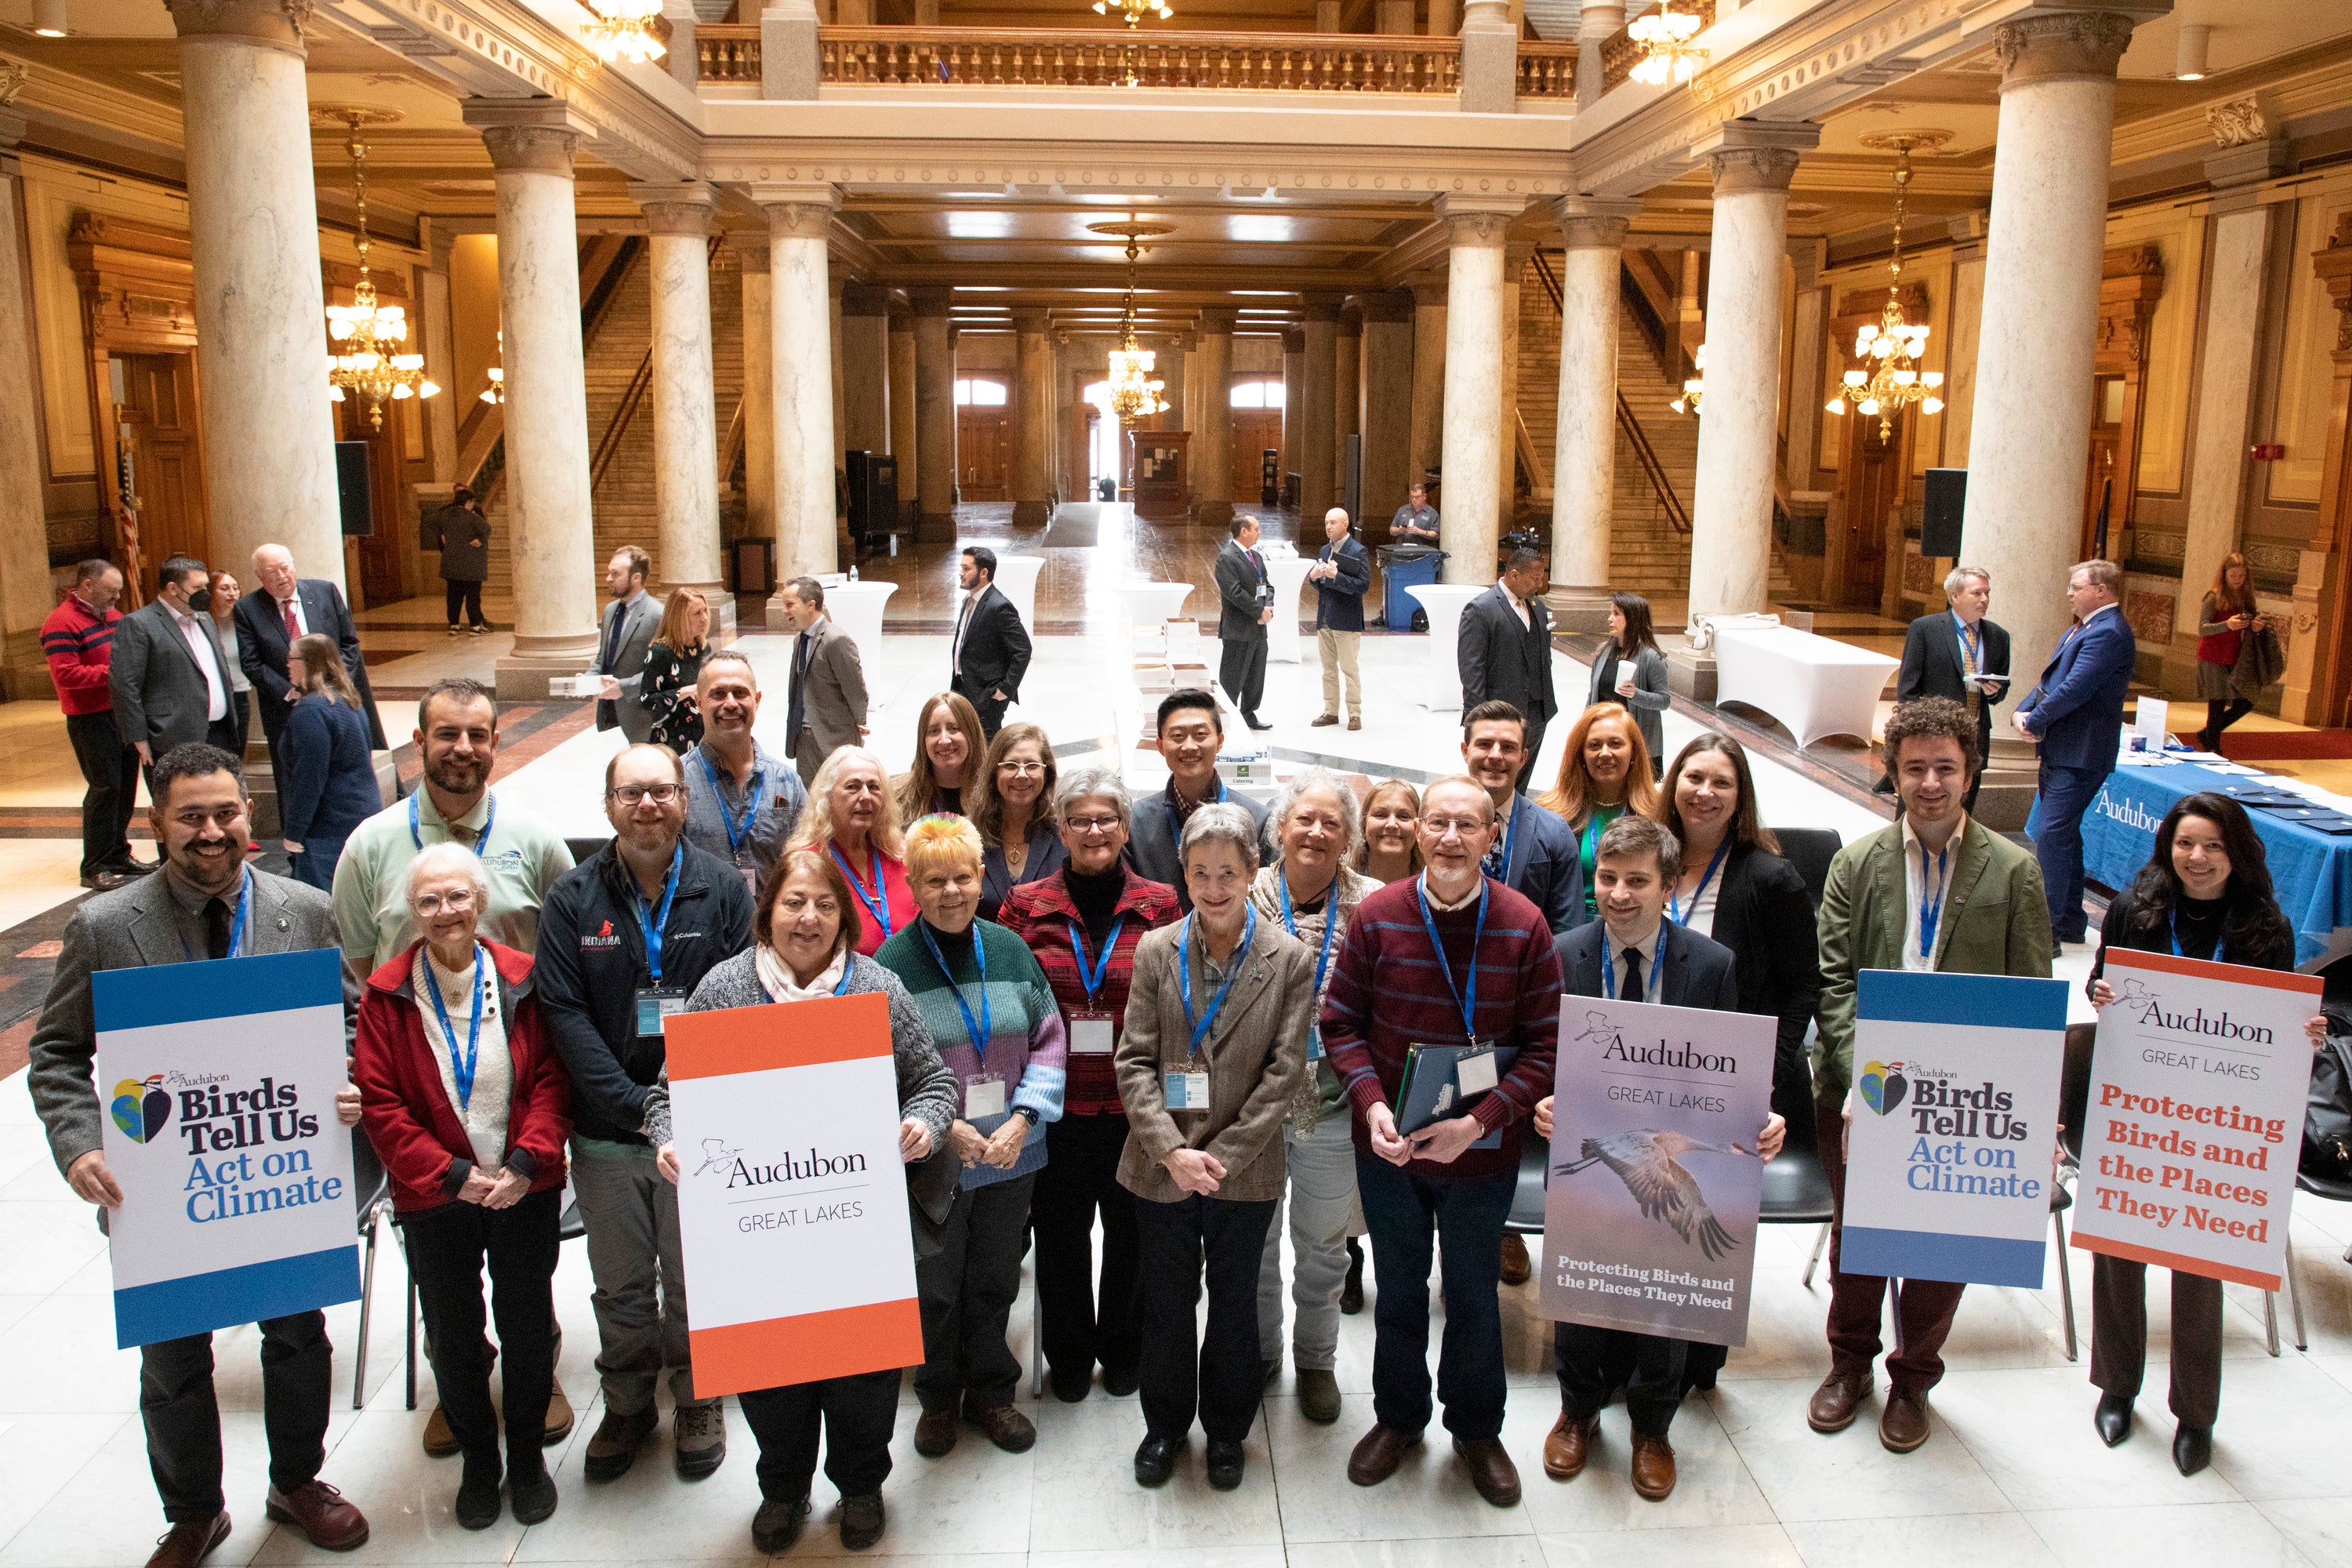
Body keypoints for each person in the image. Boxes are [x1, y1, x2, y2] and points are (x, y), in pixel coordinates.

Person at [27, 742, 372, 1567]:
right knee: (174, 1356)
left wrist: (352, 1077)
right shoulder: (105, 925)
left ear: (249, 817)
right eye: (191, 816)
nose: (212, 831)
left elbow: (354, 1023)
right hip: (163, 1189)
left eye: (226, 813)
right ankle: (193, 1511)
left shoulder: (304, 910)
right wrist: (78, 1147)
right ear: (156, 823)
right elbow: (55, 1053)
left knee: (297, 1334)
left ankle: (297, 1481)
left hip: (277, 1176)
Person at [643, 848, 956, 1554]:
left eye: (822, 904)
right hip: (760, 1235)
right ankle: (782, 1489)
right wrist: (670, 1139)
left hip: (853, 1227)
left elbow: (934, 1083)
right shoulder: (726, 988)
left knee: (862, 1373)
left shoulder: (876, 987)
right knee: (772, 1371)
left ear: (842, 914)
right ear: (768, 912)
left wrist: (923, 1125)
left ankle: (861, 1484)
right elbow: (668, 1094)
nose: (808, 918)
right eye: (793, 903)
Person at [1809, 696, 2051, 1454]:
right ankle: (1849, 1366)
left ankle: (1914, 1376)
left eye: (1946, 767)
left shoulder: (2015, 872)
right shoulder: (1857, 862)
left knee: (1947, 1240)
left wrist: (2032, 1109)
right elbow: (1835, 983)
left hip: (1965, 1092)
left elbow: (2030, 996)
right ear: (1893, 772)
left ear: (1972, 772)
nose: (1931, 783)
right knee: (1860, 1236)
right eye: (1914, 768)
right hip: (1865, 1085)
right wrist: (1862, 1080)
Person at [1321, 775, 1563, 1509]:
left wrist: (1480, 1123)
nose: (1451, 838)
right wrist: (1370, 1107)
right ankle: (1398, 1418)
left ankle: (1477, 1428)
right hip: (1391, 1152)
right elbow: (1340, 1025)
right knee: (1398, 1292)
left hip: (1481, 1155)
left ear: (1494, 837)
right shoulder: (1377, 917)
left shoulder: (1524, 925)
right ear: (1417, 833)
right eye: (1438, 823)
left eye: (1469, 825)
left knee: (1471, 1296)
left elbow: (1547, 1050)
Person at [1540, 815, 1785, 1502]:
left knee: (1665, 1292)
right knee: (1582, 1286)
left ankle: (1653, 1426)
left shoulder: (1712, 965)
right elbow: (1536, 1056)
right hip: (1592, 1151)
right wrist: (1541, 1102)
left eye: (1637, 881)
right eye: (1608, 879)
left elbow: (1733, 1075)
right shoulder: (1560, 955)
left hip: (1668, 1160)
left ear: (1669, 885)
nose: (1619, 894)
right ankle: (1577, 1411)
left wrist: (1761, 1120)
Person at [2084, 793, 2328, 1477]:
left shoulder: (2264, 925)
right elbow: (2105, 982)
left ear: (2236, 852)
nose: (2197, 858)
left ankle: (2196, 1413)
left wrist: (2305, 1032)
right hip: (2137, 1106)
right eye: (2186, 843)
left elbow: (2279, 1018)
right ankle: (2117, 1388)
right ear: (2169, 846)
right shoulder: (2137, 908)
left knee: (2199, 1261)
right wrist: (2098, 993)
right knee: (2119, 1249)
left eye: (2213, 846)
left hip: (2216, 1121)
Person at [534, 743, 753, 1483]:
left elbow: (740, 997)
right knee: (621, 1279)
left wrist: (682, 1108)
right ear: (609, 806)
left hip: (702, 1129)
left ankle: (698, 1393)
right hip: (605, 1131)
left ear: (683, 801)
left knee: (697, 1274)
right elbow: (564, 1014)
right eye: (632, 793)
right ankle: (628, 1400)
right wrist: (636, 1109)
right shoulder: (571, 899)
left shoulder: (725, 889)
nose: (648, 805)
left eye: (662, 791)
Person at [354, 842, 570, 1530]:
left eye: (457, 897)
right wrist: (452, 1176)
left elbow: (552, 1080)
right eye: (429, 900)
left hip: (522, 1187)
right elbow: (381, 1105)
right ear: (412, 912)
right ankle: (481, 1459)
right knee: (452, 1333)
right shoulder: (386, 995)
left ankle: (529, 1456)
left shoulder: (525, 979)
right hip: (435, 1197)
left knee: (528, 1323)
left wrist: (526, 1163)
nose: (446, 911)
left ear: (480, 902)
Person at [1118, 801, 1312, 1490]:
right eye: (1200, 872)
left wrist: (1219, 1154)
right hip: (1160, 1165)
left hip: (1244, 1168)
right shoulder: (1154, 949)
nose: (1214, 886)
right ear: (1183, 872)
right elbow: (1134, 1062)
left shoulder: (1289, 959)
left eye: (1228, 872)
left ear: (1254, 870)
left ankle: (1227, 1431)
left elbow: (1286, 1072)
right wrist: (1173, 1151)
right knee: (1167, 1302)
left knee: (1233, 1305)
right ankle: (1165, 1426)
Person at [876, 815, 1067, 1460]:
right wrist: (942, 1125)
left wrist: (1023, 1119)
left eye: (962, 877)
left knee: (993, 1279)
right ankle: (937, 1398)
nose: (951, 892)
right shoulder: (890, 966)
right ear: (914, 884)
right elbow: (877, 1065)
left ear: (981, 877)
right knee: (936, 1284)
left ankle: (991, 1392)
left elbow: (1049, 1038)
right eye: (935, 881)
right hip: (935, 1159)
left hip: (1013, 1154)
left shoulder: (1011, 949)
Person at [1000, 767, 1184, 1403]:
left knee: (1132, 1235)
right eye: (1080, 819)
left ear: (1126, 827)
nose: (1095, 830)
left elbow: (1180, 1002)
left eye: (1107, 818)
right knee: (1059, 1238)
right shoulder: (1026, 906)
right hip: (1057, 1107)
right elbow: (1010, 1002)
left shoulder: (1160, 904)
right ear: (1061, 828)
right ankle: (1071, 1357)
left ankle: (1125, 1349)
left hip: (1136, 1110)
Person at [1247, 768, 1374, 1425]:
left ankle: (1317, 1359)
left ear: (1349, 836)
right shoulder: (1240, 894)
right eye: (1305, 819)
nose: (1317, 832)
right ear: (1280, 827)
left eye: (1332, 823)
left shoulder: (1377, 904)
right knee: (1259, 1239)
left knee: (1324, 1244)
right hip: (1254, 1106)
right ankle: (1264, 1351)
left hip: (1331, 1101)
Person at [332, 677, 578, 993]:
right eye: (448, 734)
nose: (463, 747)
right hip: (408, 1035)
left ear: (494, 743)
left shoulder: (538, 842)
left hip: (512, 1033)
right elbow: (357, 966)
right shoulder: (368, 845)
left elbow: (567, 954)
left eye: (477, 736)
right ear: (420, 741)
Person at [1655, 732, 1823, 1178]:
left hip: (1725, 1076)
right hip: (1642, 1069)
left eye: (1721, 783)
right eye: (1694, 777)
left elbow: (1803, 987)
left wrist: (1765, 1074)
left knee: (1704, 1211)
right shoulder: (1644, 863)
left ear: (1740, 796)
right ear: (1674, 783)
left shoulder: (1772, 879)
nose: (1705, 792)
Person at [2014, 557, 2137, 948]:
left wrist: (2034, 721)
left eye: (2077, 586)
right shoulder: (2084, 627)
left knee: (2052, 836)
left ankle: (2045, 931)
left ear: (2101, 590)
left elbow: (2076, 688)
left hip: (2081, 752)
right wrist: (2023, 706)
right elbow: (2052, 679)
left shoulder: (2109, 632)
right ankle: (2069, 920)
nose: (2069, 592)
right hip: (2062, 748)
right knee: (2064, 835)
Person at [236, 543, 388, 786]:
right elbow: (252, 663)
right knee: (294, 783)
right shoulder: (247, 609)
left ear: (293, 566)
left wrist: (334, 682)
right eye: (272, 572)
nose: (282, 576)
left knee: (342, 776)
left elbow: (349, 644)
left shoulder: (325, 592)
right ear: (259, 576)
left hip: (336, 702)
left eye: (285, 568)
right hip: (285, 711)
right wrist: (290, 691)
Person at [45, 557, 148, 890]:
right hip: (89, 718)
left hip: (121, 713)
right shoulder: (61, 622)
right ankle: (94, 865)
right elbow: (65, 674)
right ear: (87, 586)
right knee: (106, 788)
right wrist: (116, 675)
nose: (118, 598)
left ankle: (119, 853)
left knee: (126, 786)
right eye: (111, 591)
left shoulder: (114, 618)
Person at [1126, 689, 1270, 911]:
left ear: (1220, 741)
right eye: (1177, 736)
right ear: (1161, 746)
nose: (1189, 746)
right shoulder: (1135, 824)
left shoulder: (1256, 820)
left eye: (1201, 734)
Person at [679, 648, 807, 891]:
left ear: (756, 700)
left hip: (770, 925)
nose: (730, 703)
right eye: (718, 694)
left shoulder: (787, 784)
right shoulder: (676, 783)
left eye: (740, 693)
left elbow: (806, 864)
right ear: (698, 703)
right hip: (703, 925)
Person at [109, 555, 242, 778]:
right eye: (197, 587)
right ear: (173, 588)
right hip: (173, 738)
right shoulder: (140, 624)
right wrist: (138, 737)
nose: (205, 594)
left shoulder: (205, 618)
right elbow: (124, 685)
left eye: (206, 587)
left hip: (220, 733)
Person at [1461, 699, 1583, 935]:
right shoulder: (1437, 826)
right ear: (1466, 751)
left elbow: (1567, 929)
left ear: (1523, 757)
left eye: (1508, 747)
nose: (1496, 756)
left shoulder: (1554, 832)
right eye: (1484, 744)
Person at [277, 632, 383, 893]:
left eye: (292, 658)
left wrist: (294, 830)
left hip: (328, 827)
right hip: (361, 813)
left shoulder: (312, 711)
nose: (287, 664)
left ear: (309, 662)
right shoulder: (348, 701)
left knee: (324, 910)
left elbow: (309, 778)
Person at [788, 746, 917, 955]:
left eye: (874, 787)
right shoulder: (806, 864)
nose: (865, 796)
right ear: (828, 797)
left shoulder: (901, 856)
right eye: (853, 787)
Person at [1541, 704, 1663, 923]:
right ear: (1581, 757)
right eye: (1595, 745)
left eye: (1616, 744)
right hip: (1569, 932)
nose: (1605, 753)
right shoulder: (1552, 815)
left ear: (1634, 752)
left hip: (1635, 928)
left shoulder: (1658, 814)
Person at [1458, 546, 1557, 791]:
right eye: (1534, 578)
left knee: (1522, 776)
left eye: (1541, 577)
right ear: (1513, 575)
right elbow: (1472, 669)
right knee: (1494, 779)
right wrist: (1477, 718)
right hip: (1500, 713)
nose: (1539, 584)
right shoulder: (1481, 609)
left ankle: (1516, 816)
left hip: (1537, 710)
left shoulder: (1537, 607)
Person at [775, 575, 869, 786]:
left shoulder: (835, 641)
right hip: (804, 739)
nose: (784, 610)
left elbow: (855, 689)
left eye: (790, 604)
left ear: (811, 605)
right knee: (809, 801)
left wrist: (860, 722)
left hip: (832, 740)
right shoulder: (800, 639)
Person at [971, 722, 1065, 922]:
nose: (1021, 774)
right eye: (1010, 765)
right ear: (994, 773)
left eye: (1032, 765)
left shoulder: (1065, 836)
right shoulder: (968, 836)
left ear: (1046, 773)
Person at [950, 546, 1032, 742]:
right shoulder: (968, 601)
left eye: (967, 568)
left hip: (986, 693)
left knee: (987, 745)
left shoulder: (998, 606)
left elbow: (1023, 649)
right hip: (964, 686)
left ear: (984, 573)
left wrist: (1005, 689)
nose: (961, 573)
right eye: (961, 567)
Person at [1585, 591, 1670, 775]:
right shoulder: (1603, 651)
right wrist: (1585, 725)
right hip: (1604, 736)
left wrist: (1635, 694)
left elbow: (1664, 700)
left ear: (1632, 619)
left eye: (1616, 614)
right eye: (1611, 613)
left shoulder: (1651, 658)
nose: (1610, 619)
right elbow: (1593, 693)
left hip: (1635, 738)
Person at [2194, 553, 2265, 755]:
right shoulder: (2213, 597)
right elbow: (2203, 628)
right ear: (2224, 574)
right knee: (2217, 702)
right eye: (2233, 575)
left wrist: (2257, 624)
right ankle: (2213, 748)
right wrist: (2228, 625)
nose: (2237, 580)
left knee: (2245, 702)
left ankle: (2207, 734)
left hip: (2234, 656)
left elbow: (2252, 619)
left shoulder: (2245, 597)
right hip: (2212, 656)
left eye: (2241, 575)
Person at [590, 546, 662, 744]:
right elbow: (603, 658)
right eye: (609, 572)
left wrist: (624, 687)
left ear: (636, 578)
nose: (608, 578)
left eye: (616, 573)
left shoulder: (657, 615)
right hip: (614, 711)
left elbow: (660, 672)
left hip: (644, 714)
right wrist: (587, 680)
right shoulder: (610, 610)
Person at [1212, 515, 1277, 731]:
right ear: (1243, 531)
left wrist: (1268, 608)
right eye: (1256, 529)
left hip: (1259, 628)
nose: (1259, 532)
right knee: (1233, 676)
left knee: (1256, 674)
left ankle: (1249, 713)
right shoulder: (1227, 558)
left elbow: (1267, 585)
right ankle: (1224, 717)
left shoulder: (1256, 556)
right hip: (1239, 629)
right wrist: (1259, 611)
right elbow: (1234, 593)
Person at [1308, 506, 1370, 730]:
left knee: (1349, 669)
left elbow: (1363, 585)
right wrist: (1314, 578)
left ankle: (1354, 714)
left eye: (1333, 522)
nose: (1328, 527)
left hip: (1346, 619)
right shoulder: (1325, 549)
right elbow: (1320, 583)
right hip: (1325, 618)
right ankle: (1330, 711)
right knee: (1328, 669)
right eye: (1326, 522)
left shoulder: (1358, 551)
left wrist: (1338, 576)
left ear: (1345, 525)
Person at [638, 587, 710, 754]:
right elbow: (647, 699)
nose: (704, 618)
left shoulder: (704, 649)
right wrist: (685, 691)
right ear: (680, 618)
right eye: (697, 613)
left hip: (703, 733)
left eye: (705, 611)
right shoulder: (661, 652)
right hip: (672, 738)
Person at [894, 691, 985, 823]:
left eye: (953, 728)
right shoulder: (898, 800)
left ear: (972, 734)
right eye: (934, 731)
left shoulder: (994, 797)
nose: (944, 740)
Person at [423, 485, 493, 634]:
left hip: (451, 562)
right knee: (472, 595)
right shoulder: (471, 516)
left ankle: (454, 625)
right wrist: (479, 540)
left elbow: (429, 521)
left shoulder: (445, 514)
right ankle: (475, 626)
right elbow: (487, 529)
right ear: (468, 502)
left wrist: (441, 534)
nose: (472, 505)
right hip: (471, 563)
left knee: (453, 596)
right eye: (472, 502)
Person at [206, 570, 252, 752]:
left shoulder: (244, 621)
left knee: (237, 751)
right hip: (212, 697)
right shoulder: (203, 621)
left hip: (239, 694)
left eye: (235, 588)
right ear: (210, 592)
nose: (232, 593)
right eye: (224, 588)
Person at [1352, 779, 1423, 886]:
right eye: (1380, 815)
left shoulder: (1432, 888)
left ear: (1418, 827)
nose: (1391, 825)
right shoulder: (1337, 881)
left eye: (1403, 816)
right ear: (1363, 822)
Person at [1390, 481, 1440, 545]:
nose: (1414, 500)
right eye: (1412, 497)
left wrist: (1419, 532)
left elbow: (1436, 535)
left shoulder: (1432, 513)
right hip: (1402, 550)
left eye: (1417, 497)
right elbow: (1392, 530)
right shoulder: (1403, 510)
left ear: (1424, 497)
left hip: (1422, 551)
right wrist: (1400, 530)